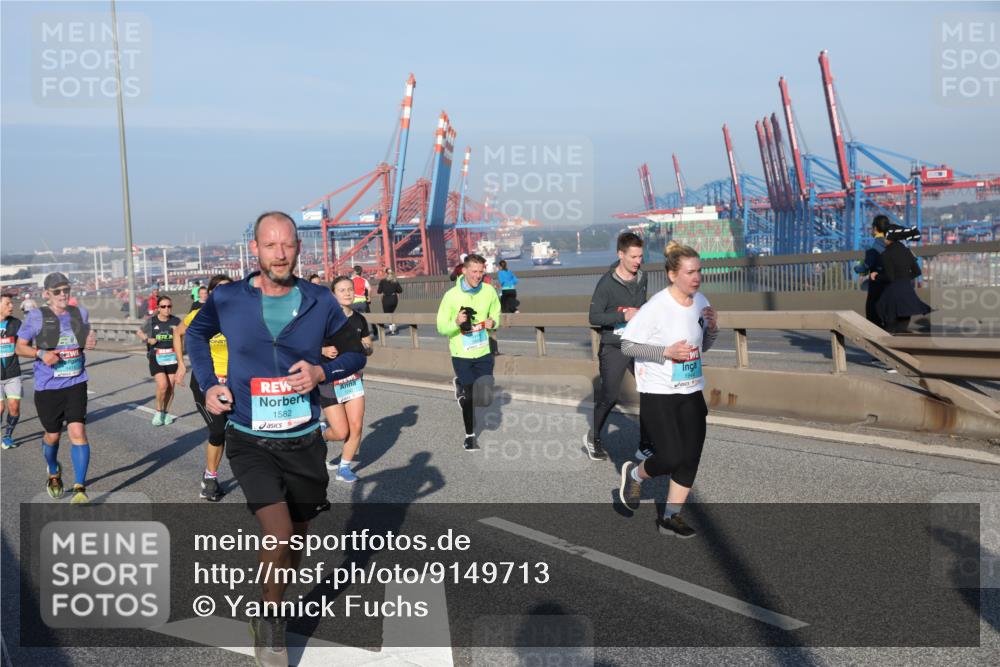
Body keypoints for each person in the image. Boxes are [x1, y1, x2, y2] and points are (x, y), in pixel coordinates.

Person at [185, 212, 365, 664]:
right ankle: (270, 620)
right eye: (270, 245)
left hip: (303, 439)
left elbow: (354, 352)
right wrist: (209, 383)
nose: (280, 254)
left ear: (298, 249)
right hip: (249, 438)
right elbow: (197, 336)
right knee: (279, 532)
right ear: (256, 250)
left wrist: (323, 370)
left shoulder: (319, 301)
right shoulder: (227, 298)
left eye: (287, 245)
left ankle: (274, 596)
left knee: (298, 536)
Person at [618, 241, 719, 539]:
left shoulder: (702, 301)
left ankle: (671, 517)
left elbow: (704, 348)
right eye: (690, 272)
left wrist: (713, 329)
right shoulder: (656, 307)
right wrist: (666, 352)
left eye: (699, 271)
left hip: (691, 390)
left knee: (691, 457)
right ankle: (635, 474)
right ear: (673, 275)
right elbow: (627, 345)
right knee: (672, 455)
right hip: (659, 391)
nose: (696, 277)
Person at [15, 273, 97, 504]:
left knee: (78, 432)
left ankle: (80, 487)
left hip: (76, 383)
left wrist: (91, 339)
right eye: (57, 291)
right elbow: (20, 347)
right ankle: (53, 469)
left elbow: (87, 335)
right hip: (48, 387)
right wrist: (40, 353)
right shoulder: (36, 317)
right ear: (47, 294)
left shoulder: (79, 313)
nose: (63, 295)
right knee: (52, 435)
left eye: (66, 290)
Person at [585, 232, 653, 461]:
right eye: (633, 257)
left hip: (637, 344)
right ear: (620, 254)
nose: (638, 261)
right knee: (610, 396)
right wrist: (623, 315)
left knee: (651, 392)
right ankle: (593, 436)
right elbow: (594, 316)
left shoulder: (643, 277)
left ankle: (646, 444)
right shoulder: (606, 283)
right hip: (614, 346)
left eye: (640, 256)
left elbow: (643, 305)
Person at [174, 274, 232, 501]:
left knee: (239, 433)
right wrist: (181, 364)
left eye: (229, 289)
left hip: (234, 382)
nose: (224, 293)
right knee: (218, 430)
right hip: (206, 383)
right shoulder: (198, 315)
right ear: (211, 292)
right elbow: (177, 333)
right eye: (219, 289)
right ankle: (210, 477)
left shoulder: (241, 316)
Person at [436, 253, 501, 451]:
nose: (478, 275)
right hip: (461, 354)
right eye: (474, 271)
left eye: (481, 272)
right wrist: (456, 323)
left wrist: (493, 322)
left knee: (486, 396)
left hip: (482, 351)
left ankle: (460, 389)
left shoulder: (489, 291)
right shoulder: (451, 296)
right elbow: (441, 327)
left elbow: (496, 313)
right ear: (464, 271)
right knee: (470, 396)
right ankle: (470, 436)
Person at [320, 276, 374, 482]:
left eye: (350, 289)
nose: (348, 293)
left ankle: (344, 467)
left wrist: (364, 348)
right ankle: (321, 434)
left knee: (356, 425)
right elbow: (306, 347)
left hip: (353, 378)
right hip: (329, 380)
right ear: (334, 295)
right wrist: (323, 349)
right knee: (341, 431)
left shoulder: (359, 319)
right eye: (342, 290)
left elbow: (369, 348)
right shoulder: (324, 319)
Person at [875, 220, 930, 334]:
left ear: (888, 238)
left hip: (893, 296)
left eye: (884, 237)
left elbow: (889, 277)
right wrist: (904, 278)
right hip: (907, 294)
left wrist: (876, 276)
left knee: (886, 325)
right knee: (902, 330)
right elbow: (917, 271)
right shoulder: (907, 252)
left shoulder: (886, 255)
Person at [137, 295, 181, 426]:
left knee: (171, 388)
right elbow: (139, 331)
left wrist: (178, 333)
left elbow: (184, 333)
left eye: (169, 306)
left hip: (172, 356)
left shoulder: (176, 321)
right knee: (163, 385)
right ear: (158, 308)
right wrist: (147, 339)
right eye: (163, 306)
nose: (167, 309)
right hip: (156, 356)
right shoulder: (152, 321)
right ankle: (158, 411)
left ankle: (166, 413)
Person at [854, 217, 889, 328]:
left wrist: (857, 268)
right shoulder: (892, 243)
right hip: (892, 280)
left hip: (877, 281)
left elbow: (866, 266)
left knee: (872, 309)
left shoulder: (873, 246)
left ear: (875, 228)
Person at [1, 294, 24, 449]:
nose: (11, 306)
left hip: (12, 372)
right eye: (8, 303)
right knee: (0, 408)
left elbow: (25, 343)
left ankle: (8, 437)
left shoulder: (16, 324)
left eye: (12, 303)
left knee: (14, 407)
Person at [377, 269, 403, 335]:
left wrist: (382, 289)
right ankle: (392, 328)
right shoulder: (395, 281)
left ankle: (391, 329)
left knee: (387, 315)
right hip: (394, 299)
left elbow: (379, 291)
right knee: (391, 313)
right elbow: (400, 291)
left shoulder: (382, 281)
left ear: (386, 274)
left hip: (386, 299)